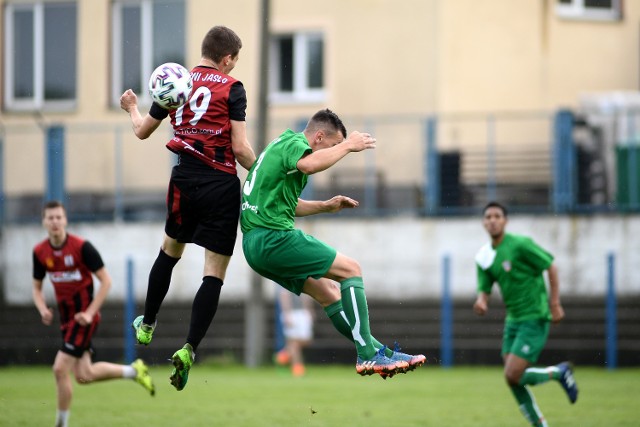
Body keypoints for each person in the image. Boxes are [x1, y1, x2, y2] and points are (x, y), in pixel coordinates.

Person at [119, 25, 256, 391]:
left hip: (185, 179)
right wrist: (262, 173)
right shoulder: (232, 88)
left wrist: (132, 107)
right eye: (233, 62)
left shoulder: (175, 80)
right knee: (213, 273)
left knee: (169, 250)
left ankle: (147, 322)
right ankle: (189, 349)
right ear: (227, 58)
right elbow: (241, 149)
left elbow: (142, 130)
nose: (232, 68)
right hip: (221, 184)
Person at [241, 108, 425, 379]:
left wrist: (325, 207)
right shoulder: (296, 145)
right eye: (334, 145)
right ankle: (368, 355)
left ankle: (381, 353)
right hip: (272, 238)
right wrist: (350, 146)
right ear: (318, 137)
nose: (337, 152)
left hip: (255, 245)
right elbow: (309, 164)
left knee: (328, 292)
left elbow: (286, 206)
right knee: (351, 269)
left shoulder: (280, 145)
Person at [32, 201, 155, 427]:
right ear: (44, 222)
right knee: (83, 374)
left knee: (59, 369)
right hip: (67, 321)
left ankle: (61, 424)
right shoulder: (40, 252)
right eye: (50, 218)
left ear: (65, 220)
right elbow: (37, 288)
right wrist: (42, 309)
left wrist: (89, 313)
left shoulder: (82, 248)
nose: (55, 222)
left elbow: (106, 282)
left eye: (59, 217)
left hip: (84, 319)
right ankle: (134, 371)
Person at [473, 201, 579, 427]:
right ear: (483, 223)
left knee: (512, 374)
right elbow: (485, 287)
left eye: (497, 216)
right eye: (488, 217)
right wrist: (482, 301)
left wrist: (555, 302)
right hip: (513, 320)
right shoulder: (484, 256)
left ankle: (558, 374)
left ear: (505, 221)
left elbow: (550, 265)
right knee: (513, 379)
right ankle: (541, 422)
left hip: (534, 317)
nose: (492, 220)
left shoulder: (520, 245)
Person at [274, 286, 315, 377]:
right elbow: (284, 296)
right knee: (293, 342)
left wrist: (309, 310)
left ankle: (284, 355)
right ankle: (297, 368)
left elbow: (307, 296)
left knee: (305, 341)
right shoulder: (287, 279)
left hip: (303, 313)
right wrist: (287, 313)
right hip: (292, 314)